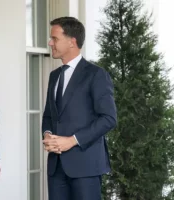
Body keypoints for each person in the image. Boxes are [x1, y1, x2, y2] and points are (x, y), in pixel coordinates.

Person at [42, 16, 117, 200]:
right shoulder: (54, 76)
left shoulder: (96, 75)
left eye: (55, 38)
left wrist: (72, 140)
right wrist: (47, 134)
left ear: (72, 42)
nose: (50, 43)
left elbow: (109, 118)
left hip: (86, 166)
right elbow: (49, 116)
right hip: (56, 167)